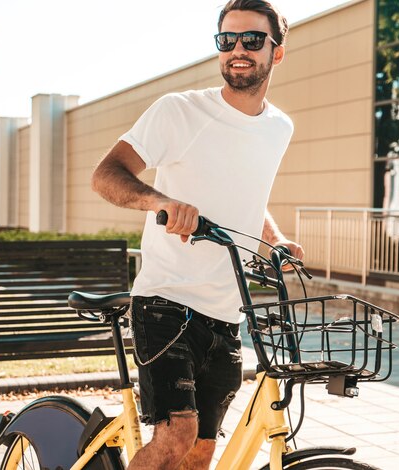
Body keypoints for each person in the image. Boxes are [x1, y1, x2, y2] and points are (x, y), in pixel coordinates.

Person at [91, 1, 303, 468]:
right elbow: (106, 174)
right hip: (166, 300)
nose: (238, 50)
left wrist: (276, 239)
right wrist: (159, 202)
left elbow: (245, 196)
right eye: (227, 40)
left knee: (201, 453)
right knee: (177, 435)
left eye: (252, 39)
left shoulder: (278, 128)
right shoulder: (179, 111)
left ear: (278, 52)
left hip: (227, 312)